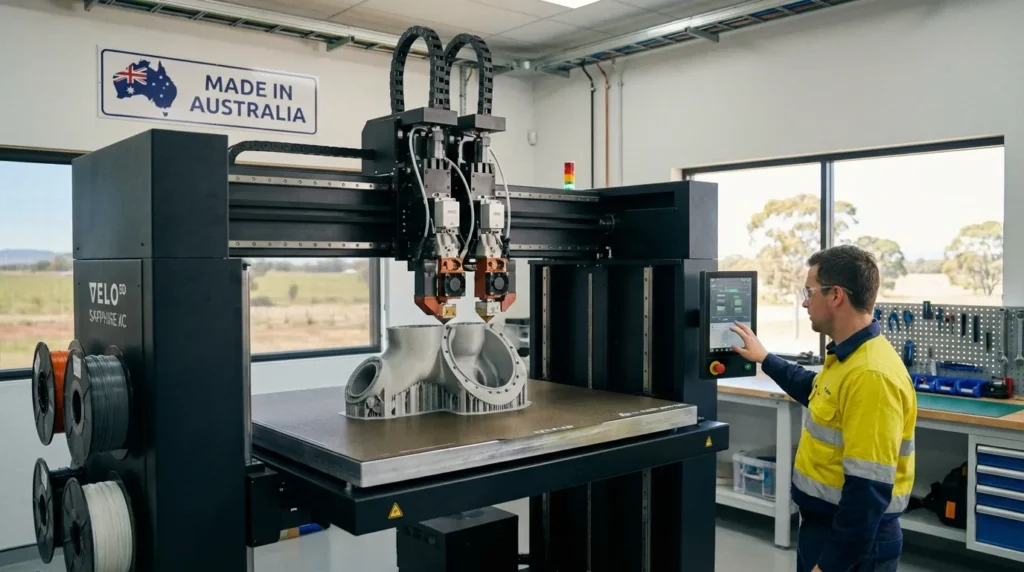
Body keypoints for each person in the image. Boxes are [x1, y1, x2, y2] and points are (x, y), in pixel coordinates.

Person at [729, 245, 917, 572]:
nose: (804, 302)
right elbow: (814, 390)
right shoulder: (846, 357)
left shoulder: (870, 375)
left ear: (836, 296)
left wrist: (831, 565)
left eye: (809, 291)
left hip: (853, 544)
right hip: (822, 528)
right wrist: (766, 358)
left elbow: (867, 490)